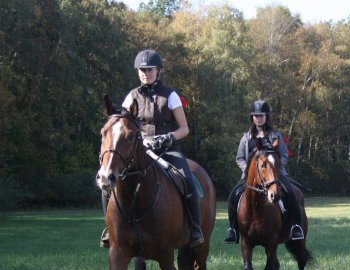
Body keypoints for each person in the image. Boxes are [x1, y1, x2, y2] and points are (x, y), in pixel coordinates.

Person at [100, 49, 204, 248]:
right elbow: (122, 126)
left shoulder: (170, 95)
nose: (146, 73)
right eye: (142, 70)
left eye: (150, 69)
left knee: (186, 178)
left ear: (158, 70)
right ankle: (109, 228)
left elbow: (184, 129)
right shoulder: (131, 97)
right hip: (140, 151)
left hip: (167, 149)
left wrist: (165, 138)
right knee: (108, 180)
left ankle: (194, 228)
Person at [223, 100, 305, 244]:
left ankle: (296, 227)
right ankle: (233, 229)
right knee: (233, 195)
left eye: (261, 115)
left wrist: (274, 167)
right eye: (255, 116)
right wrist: (248, 170)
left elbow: (284, 155)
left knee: (291, 193)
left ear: (266, 117)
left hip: (274, 175)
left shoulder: (276, 135)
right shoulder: (246, 138)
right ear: (252, 117)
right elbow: (239, 158)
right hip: (250, 177)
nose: (258, 118)